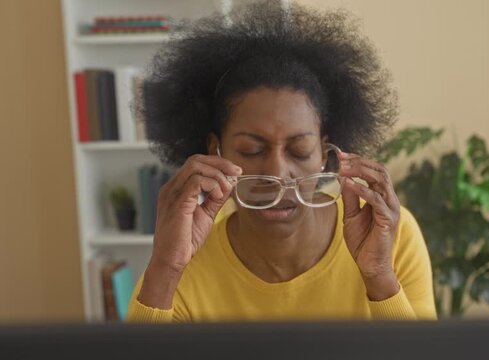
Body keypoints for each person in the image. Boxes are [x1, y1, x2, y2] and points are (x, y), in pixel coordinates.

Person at [127, 0, 437, 322]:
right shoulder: (183, 260)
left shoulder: (390, 236)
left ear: (325, 155)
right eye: (252, 150)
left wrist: (379, 275)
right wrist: (165, 268)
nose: (277, 173)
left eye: (299, 151)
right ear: (215, 152)